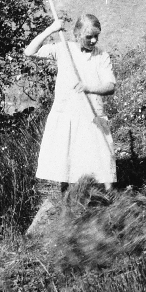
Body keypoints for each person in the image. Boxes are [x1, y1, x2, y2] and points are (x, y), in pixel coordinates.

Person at [24, 14, 117, 192]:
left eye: (96, 35)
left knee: (103, 165)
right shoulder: (64, 49)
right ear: (77, 34)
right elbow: (30, 51)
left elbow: (110, 86)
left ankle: (109, 203)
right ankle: (67, 205)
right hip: (66, 114)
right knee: (66, 165)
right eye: (89, 36)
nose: (94, 40)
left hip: (92, 117)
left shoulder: (102, 56)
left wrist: (89, 88)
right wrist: (51, 29)